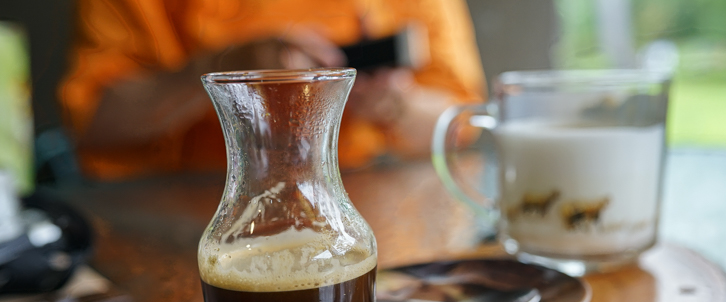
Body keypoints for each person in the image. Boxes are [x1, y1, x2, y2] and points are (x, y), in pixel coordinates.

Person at [58, 0, 486, 180]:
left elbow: (460, 122)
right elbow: (94, 120)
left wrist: (390, 101)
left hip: (357, 193)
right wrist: (217, 71)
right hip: (194, 209)